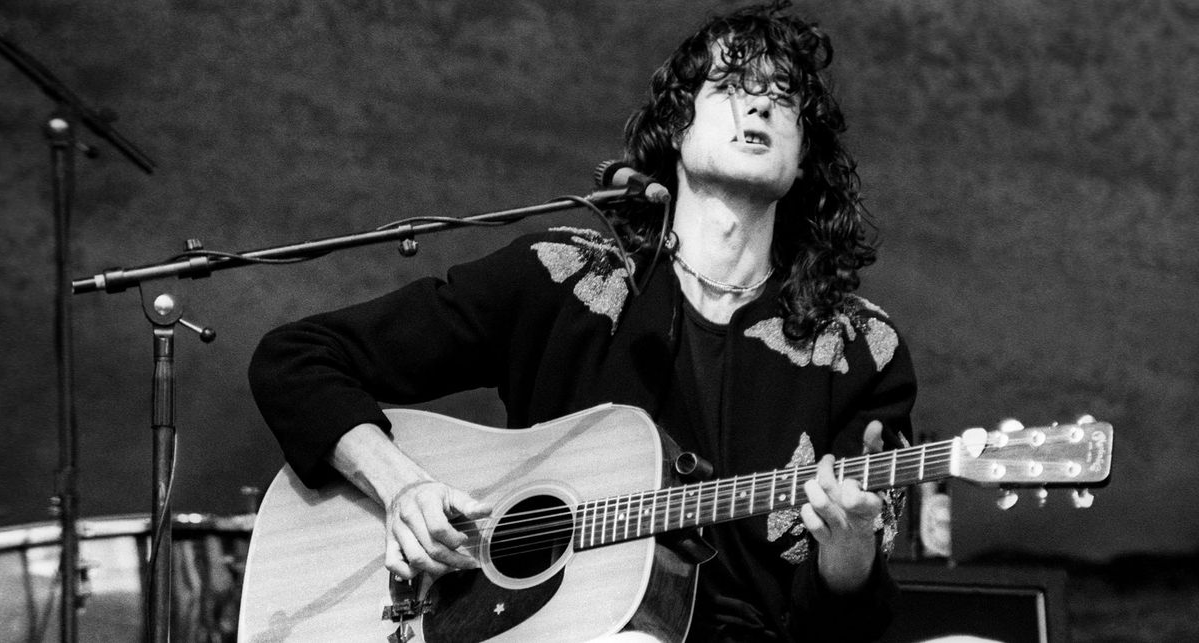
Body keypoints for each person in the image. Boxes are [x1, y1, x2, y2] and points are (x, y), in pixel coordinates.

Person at [248, 2, 916, 641]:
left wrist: (848, 556)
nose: (763, 103)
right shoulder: (568, 278)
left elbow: (843, 628)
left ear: (803, 162)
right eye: (731, 84)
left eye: (787, 98)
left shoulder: (858, 348)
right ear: (676, 129)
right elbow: (297, 359)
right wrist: (402, 487)